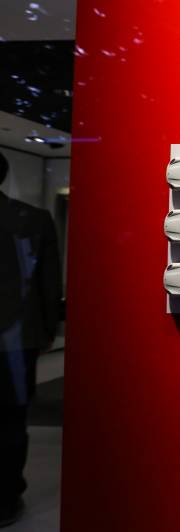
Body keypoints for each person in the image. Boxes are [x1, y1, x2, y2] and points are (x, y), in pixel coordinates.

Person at [0, 151, 62, 527]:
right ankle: (6, 499)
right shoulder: (32, 220)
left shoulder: (32, 220)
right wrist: (46, 330)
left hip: (19, 337)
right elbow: (48, 285)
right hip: (16, 340)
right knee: (10, 420)